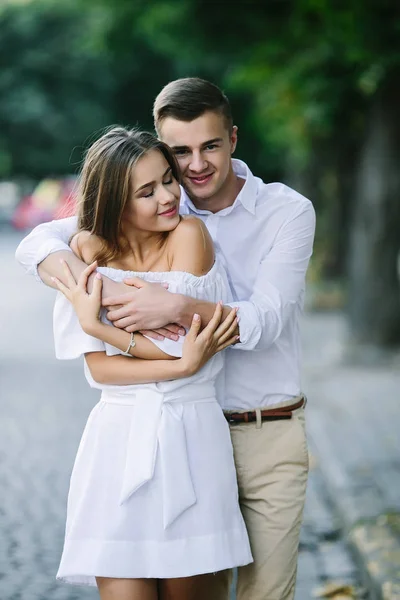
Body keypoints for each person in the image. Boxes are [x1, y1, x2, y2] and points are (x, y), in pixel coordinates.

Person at [16, 78, 316, 600]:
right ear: (164, 149)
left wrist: (175, 307)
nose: (195, 166)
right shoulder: (165, 208)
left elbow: (263, 321)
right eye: (181, 153)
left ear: (234, 139)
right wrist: (84, 283)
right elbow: (43, 240)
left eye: (210, 146)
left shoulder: (285, 211)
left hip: (262, 431)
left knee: (264, 594)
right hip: (173, 431)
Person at [25, 126, 253, 600]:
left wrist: (102, 329)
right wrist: (175, 365)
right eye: (146, 191)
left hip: (191, 436)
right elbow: (103, 370)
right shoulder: (88, 251)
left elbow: (188, 342)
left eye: (168, 179)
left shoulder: (190, 234)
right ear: (114, 203)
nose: (170, 196)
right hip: (117, 437)